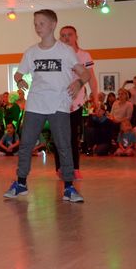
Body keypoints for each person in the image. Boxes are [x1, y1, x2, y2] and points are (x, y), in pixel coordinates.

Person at [4, 10, 89, 203]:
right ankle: (21, 183)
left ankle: (69, 187)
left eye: (41, 23)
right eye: (35, 24)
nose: (37, 27)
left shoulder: (65, 51)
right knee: (26, 144)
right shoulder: (31, 52)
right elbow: (18, 73)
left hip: (59, 103)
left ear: (53, 25)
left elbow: (84, 73)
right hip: (35, 103)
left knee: (63, 145)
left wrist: (78, 83)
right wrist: (18, 80)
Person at [54, 26, 98, 180]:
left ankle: (75, 168)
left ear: (76, 36)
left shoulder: (84, 55)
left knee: (73, 135)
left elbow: (91, 78)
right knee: (59, 136)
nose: (66, 38)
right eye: (63, 35)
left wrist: (95, 98)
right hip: (59, 101)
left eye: (69, 34)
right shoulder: (57, 55)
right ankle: (60, 167)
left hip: (77, 101)